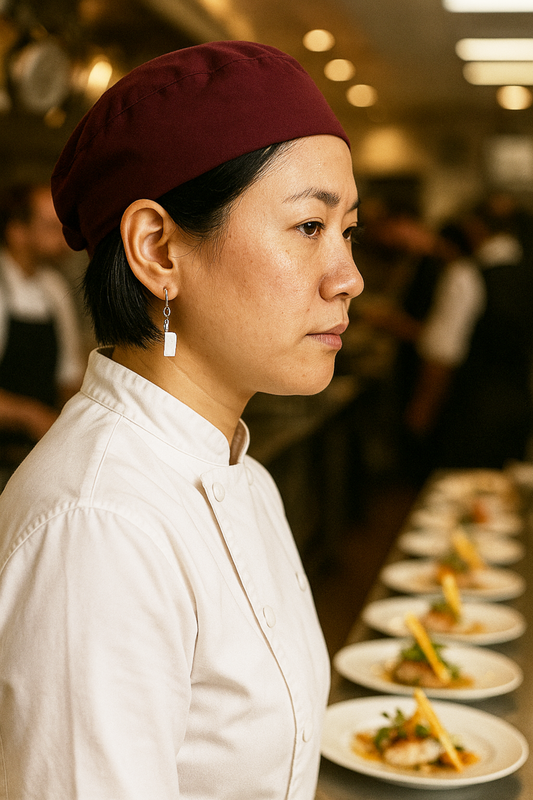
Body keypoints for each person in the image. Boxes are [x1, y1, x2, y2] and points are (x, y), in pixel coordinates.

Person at [0, 41, 363, 798]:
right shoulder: (99, 525)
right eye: (307, 228)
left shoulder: (244, 477)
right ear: (157, 249)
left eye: (348, 231)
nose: (348, 277)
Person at [0, 183, 84, 472]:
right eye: (49, 226)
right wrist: (31, 416)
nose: (62, 238)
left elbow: (68, 378)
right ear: (16, 232)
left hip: (38, 455)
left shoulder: (54, 288)